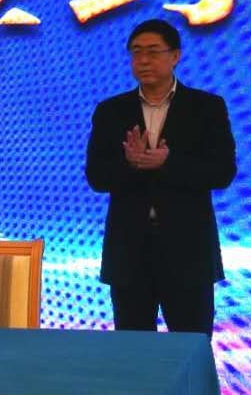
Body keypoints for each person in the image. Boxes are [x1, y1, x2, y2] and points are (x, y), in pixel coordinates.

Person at [85, 19, 235, 336]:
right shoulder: (111, 110)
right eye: (136, 52)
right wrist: (130, 163)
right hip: (129, 253)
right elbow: (97, 177)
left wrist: (168, 163)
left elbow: (222, 172)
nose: (143, 60)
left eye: (153, 51)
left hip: (188, 251)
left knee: (191, 346)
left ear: (175, 56)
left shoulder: (206, 107)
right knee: (134, 350)